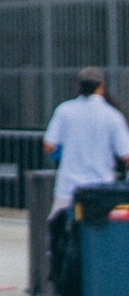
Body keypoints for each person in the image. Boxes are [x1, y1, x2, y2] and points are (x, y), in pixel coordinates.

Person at [43, 66, 129, 216]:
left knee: (59, 232)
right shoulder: (112, 116)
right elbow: (126, 154)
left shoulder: (65, 110)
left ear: (79, 86)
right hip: (101, 190)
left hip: (68, 187)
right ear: (101, 87)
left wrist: (60, 153)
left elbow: (49, 145)